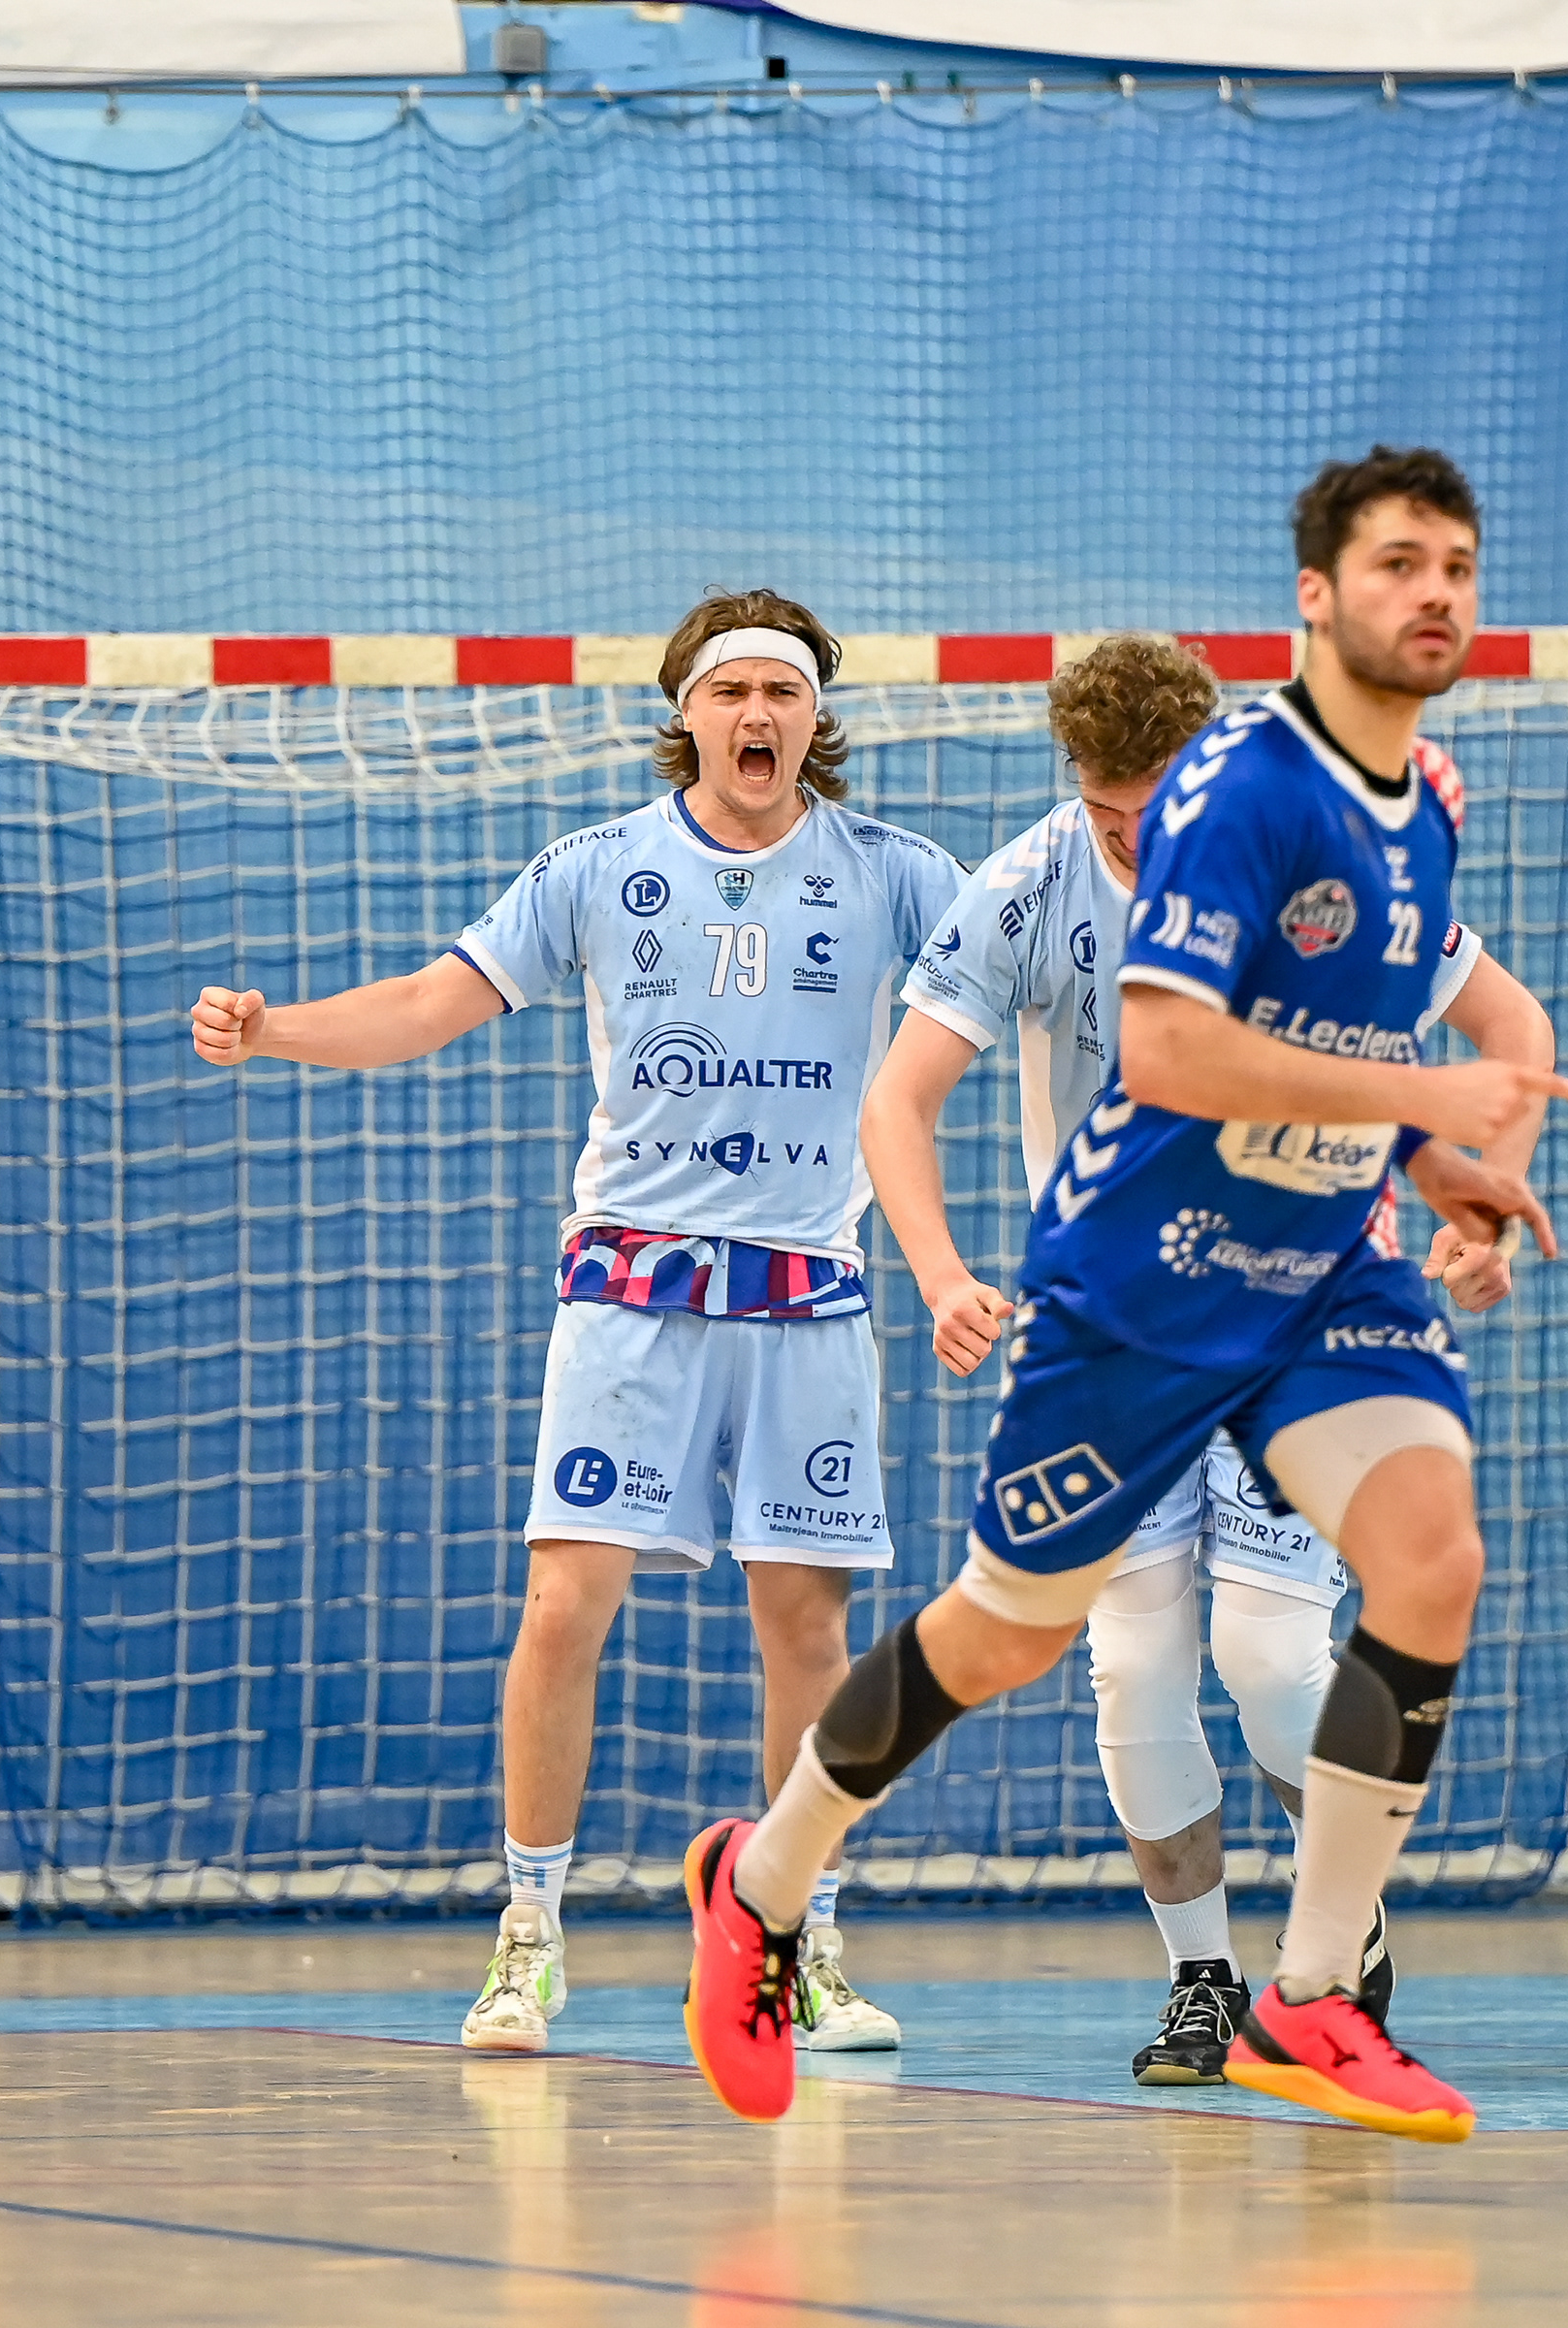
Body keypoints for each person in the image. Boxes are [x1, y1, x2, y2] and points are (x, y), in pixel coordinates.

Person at [678, 446, 1568, 2141]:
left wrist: (1459, 1163)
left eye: (1457, 564)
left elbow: (1408, 1029)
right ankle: (766, 1879)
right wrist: (1420, 1110)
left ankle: (1310, 1991)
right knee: (1014, 1637)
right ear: (1316, 597)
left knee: (1424, 1561)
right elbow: (1166, 1053)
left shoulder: (1420, 804)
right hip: (1138, 1289)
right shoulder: (1208, 810)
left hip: (1319, 1276)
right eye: (1397, 564)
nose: (1434, 594)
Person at [189, 588, 964, 2058]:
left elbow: (1037, 978)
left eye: (782, 692)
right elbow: (428, 1002)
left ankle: (794, 1943)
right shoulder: (599, 869)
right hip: (632, 1289)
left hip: (807, 1290)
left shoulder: (897, 874)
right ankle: (530, 1935)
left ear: (815, 716)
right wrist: (276, 1028)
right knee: (564, 1605)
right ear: (686, 714)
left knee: (810, 1626)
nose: (756, 714)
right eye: (729, 691)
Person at [863, 631, 1554, 2084]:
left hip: (1294, 1310)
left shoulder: (1317, 857)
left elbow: (1511, 1024)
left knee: (1267, 1653)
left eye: (1156, 806)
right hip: (1117, 1329)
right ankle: (1203, 1983)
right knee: (1133, 1670)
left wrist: (1485, 1205)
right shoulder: (1029, 888)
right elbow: (897, 1100)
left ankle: (1335, 1937)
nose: (1133, 838)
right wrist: (939, 1273)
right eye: (1105, 811)